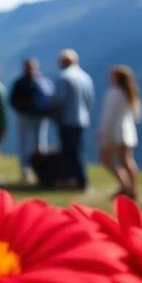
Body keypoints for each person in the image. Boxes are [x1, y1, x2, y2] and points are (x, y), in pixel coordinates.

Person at [51, 49, 95, 190]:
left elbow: (59, 100)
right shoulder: (85, 77)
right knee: (78, 150)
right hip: (82, 119)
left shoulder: (64, 77)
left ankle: (71, 179)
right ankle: (81, 179)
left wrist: (54, 115)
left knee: (69, 152)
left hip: (67, 120)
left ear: (64, 61)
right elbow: (90, 99)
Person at [97, 65, 141, 199]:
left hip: (115, 131)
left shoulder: (114, 93)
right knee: (127, 160)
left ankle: (124, 185)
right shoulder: (131, 94)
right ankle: (131, 188)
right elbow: (137, 116)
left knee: (106, 158)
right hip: (128, 131)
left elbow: (108, 115)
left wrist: (103, 131)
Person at [8, 58, 54, 184]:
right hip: (26, 117)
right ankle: (25, 171)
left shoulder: (42, 81)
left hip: (40, 118)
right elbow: (12, 100)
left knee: (40, 145)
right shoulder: (21, 83)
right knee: (25, 144)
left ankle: (41, 171)